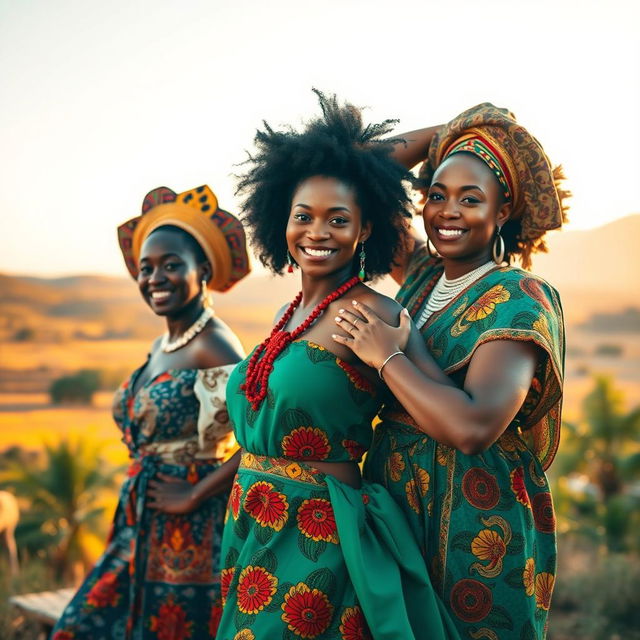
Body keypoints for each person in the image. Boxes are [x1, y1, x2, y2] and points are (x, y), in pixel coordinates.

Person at [216, 91, 458, 640]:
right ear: (283, 221)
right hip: (253, 527)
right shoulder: (288, 313)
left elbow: (453, 416)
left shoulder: (376, 313)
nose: (318, 231)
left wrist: (454, 127)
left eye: (338, 218)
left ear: (365, 230)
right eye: (304, 216)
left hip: (318, 537)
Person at [332, 103, 567, 639]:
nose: (448, 211)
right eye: (436, 195)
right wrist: (449, 134)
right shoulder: (419, 275)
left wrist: (387, 357)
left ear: (502, 210)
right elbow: (349, 170)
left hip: (476, 523)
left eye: (470, 198)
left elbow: (473, 426)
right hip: (395, 503)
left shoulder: (520, 298)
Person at [52, 185, 251, 640]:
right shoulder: (162, 345)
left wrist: (196, 493)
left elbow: (258, 439)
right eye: (146, 268)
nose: (155, 277)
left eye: (171, 265)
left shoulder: (214, 345)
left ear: (202, 271)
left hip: (191, 534)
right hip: (138, 521)